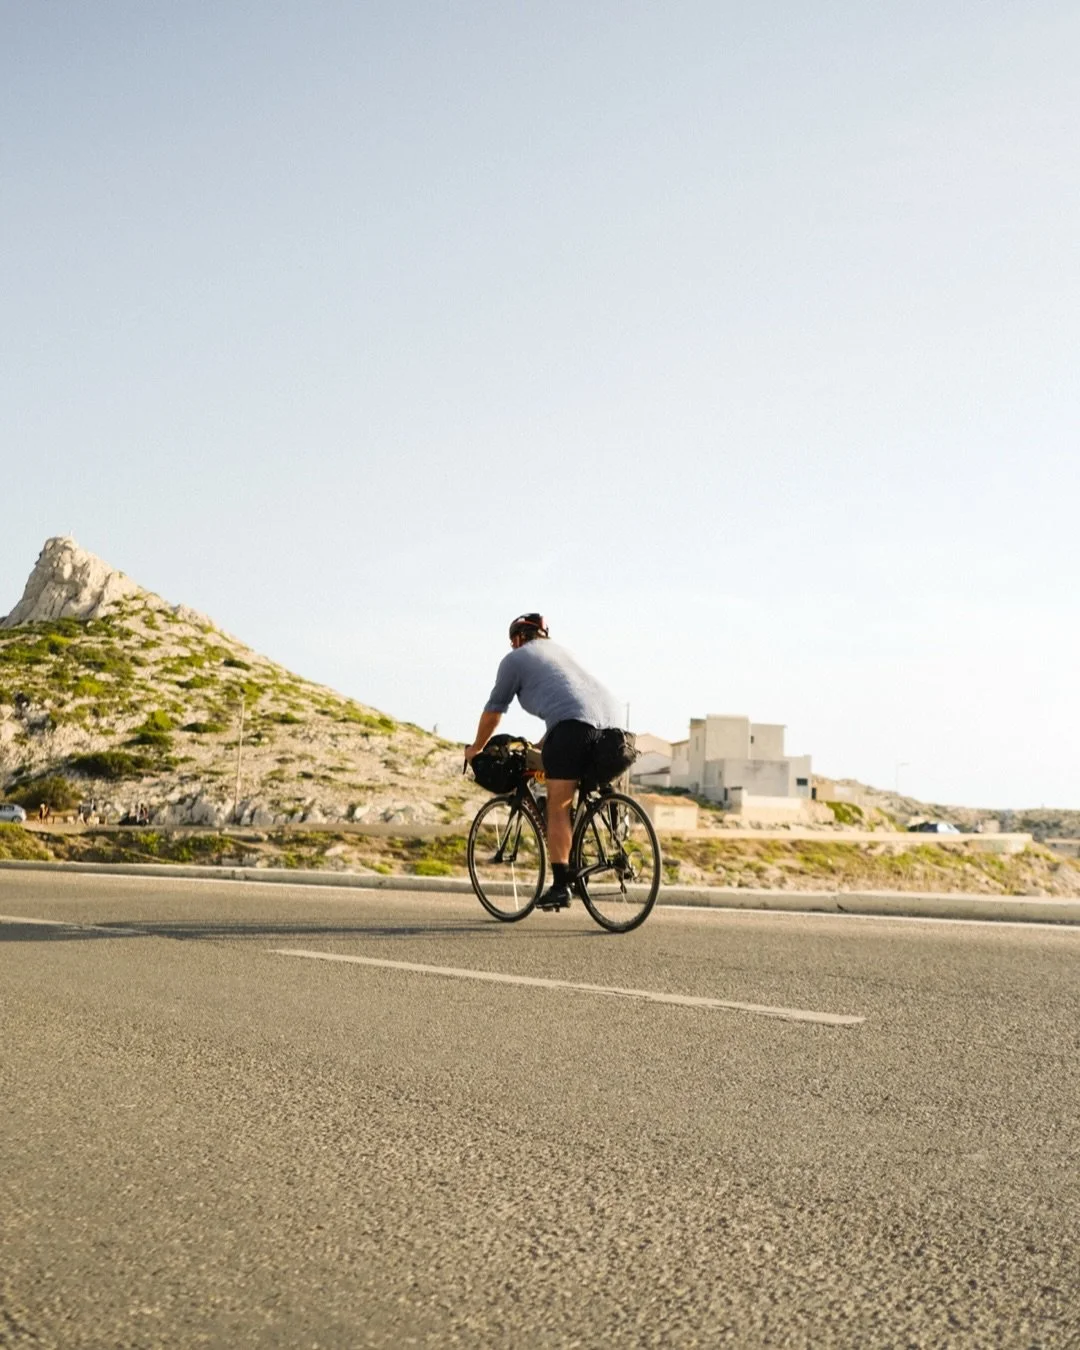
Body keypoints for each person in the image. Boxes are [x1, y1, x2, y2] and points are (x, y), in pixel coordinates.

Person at [465, 613, 624, 912]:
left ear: (516, 639)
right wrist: (544, 742)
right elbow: (574, 705)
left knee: (558, 805)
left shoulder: (515, 660)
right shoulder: (564, 653)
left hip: (573, 729)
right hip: (616, 731)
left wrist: (476, 748)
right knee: (579, 790)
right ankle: (603, 855)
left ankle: (561, 885)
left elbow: (493, 713)